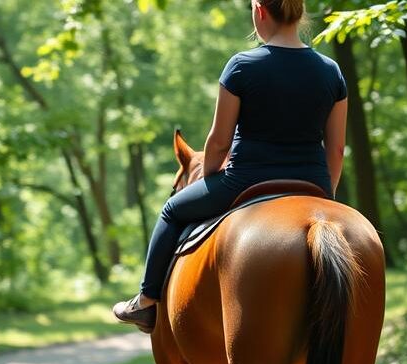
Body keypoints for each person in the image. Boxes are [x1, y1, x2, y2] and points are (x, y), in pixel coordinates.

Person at [112, 0, 348, 333]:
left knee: (171, 211)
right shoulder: (330, 71)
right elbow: (336, 149)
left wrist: (208, 176)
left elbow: (219, 141)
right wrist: (326, 194)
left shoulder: (241, 66)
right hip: (312, 181)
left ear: (260, 11)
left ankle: (146, 303)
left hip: (245, 180)